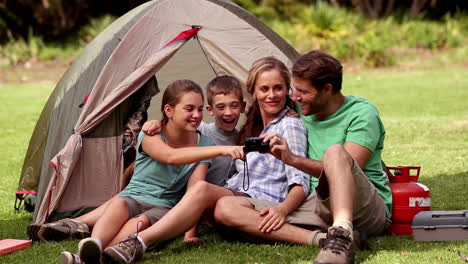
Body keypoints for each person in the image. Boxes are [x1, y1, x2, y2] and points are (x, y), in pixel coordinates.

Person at [101, 56, 310, 264]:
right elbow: (182, 126)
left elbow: (300, 179)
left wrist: (282, 210)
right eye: (265, 89)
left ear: (287, 90)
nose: (271, 95)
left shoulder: (289, 126)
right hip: (240, 196)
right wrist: (159, 123)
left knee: (202, 190)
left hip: (261, 201)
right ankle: (104, 247)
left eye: (278, 88)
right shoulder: (252, 126)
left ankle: (138, 242)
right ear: (254, 92)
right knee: (197, 189)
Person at [213, 50, 392, 264]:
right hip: (314, 203)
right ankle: (324, 240)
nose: (294, 97)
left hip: (362, 206)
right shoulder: (302, 108)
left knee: (334, 153)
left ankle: (342, 233)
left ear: (327, 89)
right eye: (294, 90)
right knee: (226, 207)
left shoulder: (362, 114)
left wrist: (293, 160)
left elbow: (345, 171)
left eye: (302, 92)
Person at [26, 75, 246, 243]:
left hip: (163, 205)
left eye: (199, 110)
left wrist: (190, 233)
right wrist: (221, 150)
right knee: (120, 204)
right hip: (133, 196)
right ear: (169, 110)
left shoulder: (209, 140)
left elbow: (194, 189)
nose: (197, 115)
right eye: (190, 109)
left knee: (134, 221)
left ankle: (97, 247)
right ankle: (74, 227)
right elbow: (171, 156)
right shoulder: (156, 134)